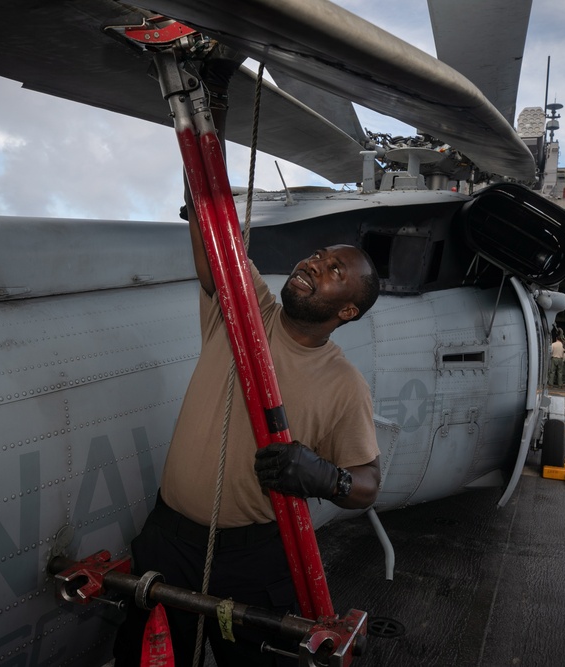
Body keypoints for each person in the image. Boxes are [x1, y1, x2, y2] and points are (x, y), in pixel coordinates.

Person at [113, 43, 381, 667]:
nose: (318, 261)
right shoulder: (243, 304)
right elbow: (213, 227)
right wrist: (213, 108)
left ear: (347, 312)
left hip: (257, 554)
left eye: (337, 270)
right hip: (169, 536)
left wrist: (325, 477)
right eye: (320, 255)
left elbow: (368, 484)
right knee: (143, 655)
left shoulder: (344, 385)